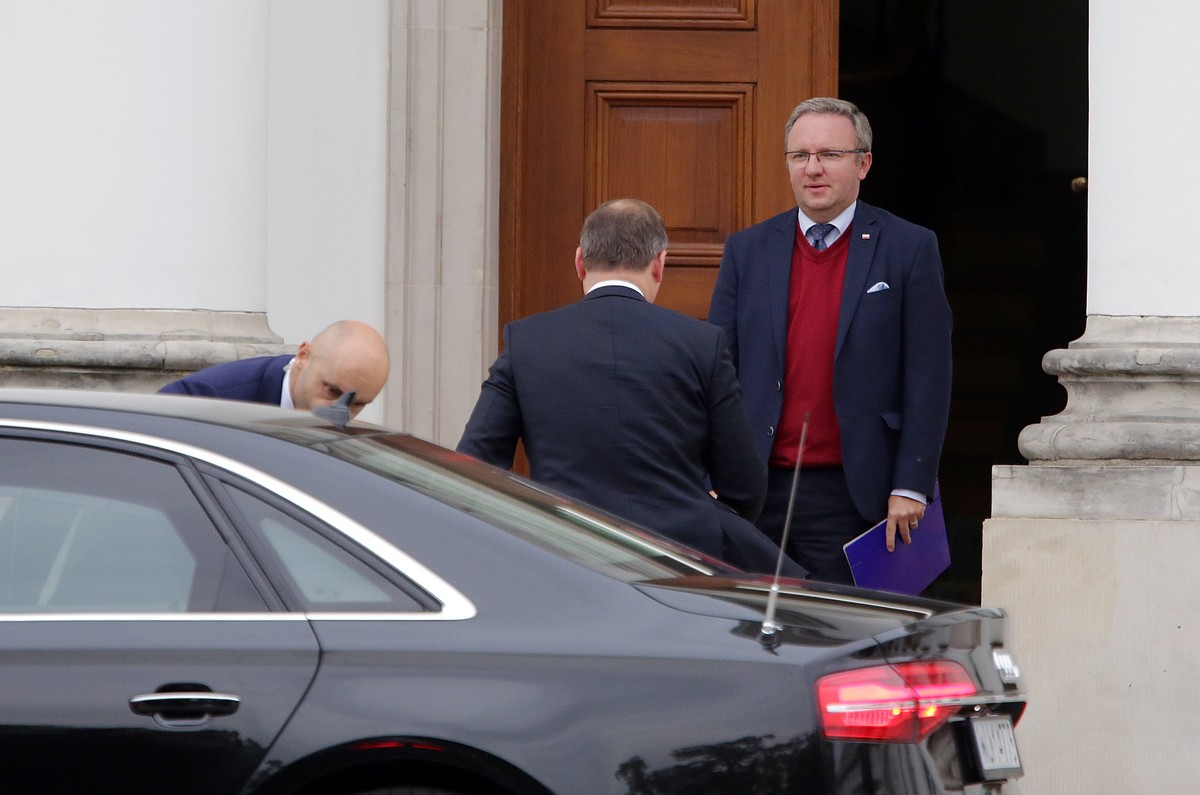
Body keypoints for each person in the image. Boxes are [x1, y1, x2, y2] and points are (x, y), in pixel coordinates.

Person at [458, 199, 799, 575]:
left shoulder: (527, 341)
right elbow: (745, 483)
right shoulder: (702, 343)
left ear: (579, 262)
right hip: (684, 563)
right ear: (659, 265)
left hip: (565, 557)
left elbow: (475, 466)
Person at [707, 97, 953, 585]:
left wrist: (912, 483)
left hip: (855, 493)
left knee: (840, 636)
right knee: (749, 632)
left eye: (829, 155)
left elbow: (929, 374)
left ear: (863, 163)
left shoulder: (909, 248)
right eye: (800, 156)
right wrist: (711, 475)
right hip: (754, 492)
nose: (812, 169)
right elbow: (717, 371)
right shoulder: (747, 250)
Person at [158, 319, 390, 419]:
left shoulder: (352, 443)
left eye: (356, 404)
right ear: (303, 356)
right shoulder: (206, 397)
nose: (340, 412)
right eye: (332, 391)